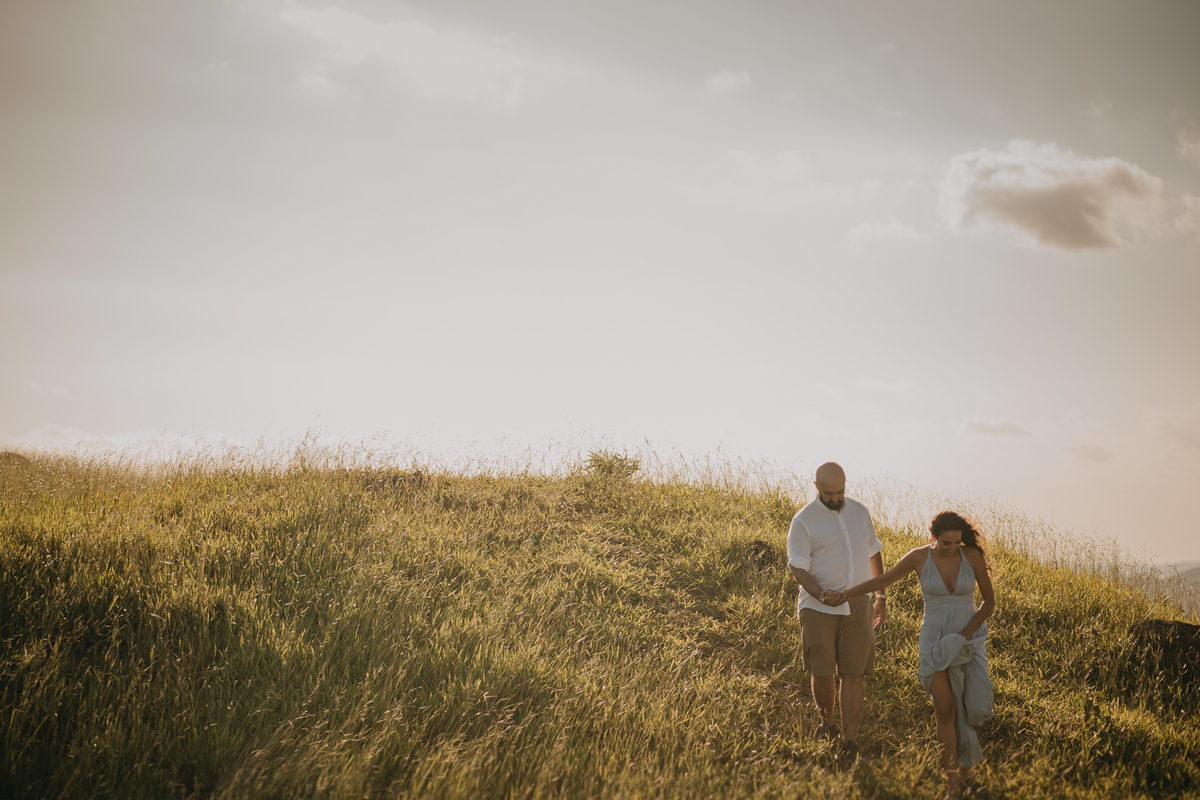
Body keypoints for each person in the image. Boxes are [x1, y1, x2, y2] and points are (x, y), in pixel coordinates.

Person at [833, 511, 995, 800]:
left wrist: (964, 636)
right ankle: (953, 785)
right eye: (946, 543)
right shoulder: (919, 558)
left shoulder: (970, 556)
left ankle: (966, 760)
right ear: (933, 537)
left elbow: (989, 602)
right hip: (934, 643)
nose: (952, 548)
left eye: (957, 542)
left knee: (978, 710)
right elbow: (883, 578)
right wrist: (848, 594)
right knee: (945, 710)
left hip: (970, 640)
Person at [786, 462, 886, 755]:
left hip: (858, 603)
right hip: (818, 607)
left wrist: (880, 596)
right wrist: (820, 594)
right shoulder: (803, 521)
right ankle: (826, 722)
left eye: (839, 491)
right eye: (828, 493)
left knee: (854, 671)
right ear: (816, 487)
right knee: (823, 670)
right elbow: (798, 569)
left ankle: (849, 740)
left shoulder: (860, 512)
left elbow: (874, 551)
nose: (834, 498)